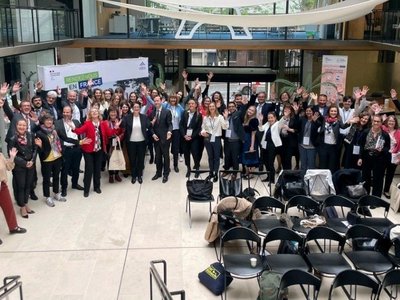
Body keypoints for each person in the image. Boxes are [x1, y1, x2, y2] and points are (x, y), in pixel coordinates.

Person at [68, 108, 119, 197]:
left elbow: (110, 133)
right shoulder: (87, 124)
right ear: (90, 114)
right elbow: (79, 131)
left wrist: (115, 128)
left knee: (97, 170)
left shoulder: (103, 123)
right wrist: (73, 128)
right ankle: (86, 189)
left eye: (96, 111)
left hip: (98, 150)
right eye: (92, 112)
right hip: (88, 151)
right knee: (89, 170)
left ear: (98, 113)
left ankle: (97, 187)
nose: (94, 112)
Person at [7, 119, 37, 218]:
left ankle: (25, 203)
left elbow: (34, 149)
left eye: (24, 125)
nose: (22, 127)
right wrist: (25, 163)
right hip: (19, 167)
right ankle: (22, 207)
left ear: (26, 126)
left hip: (30, 164)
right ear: (16, 126)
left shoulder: (30, 135)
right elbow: (12, 155)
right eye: (20, 125)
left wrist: (32, 160)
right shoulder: (12, 139)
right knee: (21, 187)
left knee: (28, 185)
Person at [35, 114, 66, 207]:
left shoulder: (55, 131)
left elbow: (61, 141)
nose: (49, 122)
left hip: (57, 157)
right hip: (47, 159)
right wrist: (40, 146)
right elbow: (39, 150)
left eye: (50, 120)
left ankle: (56, 193)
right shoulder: (39, 133)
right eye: (47, 120)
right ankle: (47, 196)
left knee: (56, 176)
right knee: (47, 179)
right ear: (43, 122)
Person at [315, 105, 357, 174]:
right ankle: (323, 183)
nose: (333, 112)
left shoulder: (338, 120)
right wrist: (316, 101)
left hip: (333, 147)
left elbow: (343, 127)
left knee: (332, 166)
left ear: (337, 112)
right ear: (329, 112)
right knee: (323, 165)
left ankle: (331, 182)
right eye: (332, 111)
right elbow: (318, 113)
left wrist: (349, 122)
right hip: (323, 146)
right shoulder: (324, 119)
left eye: (335, 111)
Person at [357, 114, 390, 197]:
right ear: (372, 122)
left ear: (381, 123)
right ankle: (365, 196)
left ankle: (375, 198)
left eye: (378, 121)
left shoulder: (385, 135)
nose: (376, 123)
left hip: (379, 158)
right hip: (367, 156)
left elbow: (387, 148)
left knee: (378, 179)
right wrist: (360, 158)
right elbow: (361, 145)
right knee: (365, 177)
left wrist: (382, 150)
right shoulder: (366, 132)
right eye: (374, 121)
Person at [55, 105, 84, 197]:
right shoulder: (57, 123)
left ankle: (75, 184)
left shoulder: (76, 122)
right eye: (64, 112)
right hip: (65, 150)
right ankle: (64, 188)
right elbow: (57, 138)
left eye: (68, 112)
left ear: (71, 113)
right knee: (64, 170)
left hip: (76, 149)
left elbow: (80, 134)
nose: (65, 114)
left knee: (76, 168)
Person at [0, 147, 27, 245]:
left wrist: (11, 158)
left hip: (2, 186)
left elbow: (9, 167)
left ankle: (13, 227)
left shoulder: (0, 155)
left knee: (9, 207)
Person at [122, 102, 150, 184]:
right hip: (131, 142)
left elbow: (149, 125)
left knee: (141, 160)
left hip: (141, 142)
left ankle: (139, 175)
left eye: (138, 107)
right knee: (132, 159)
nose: (136, 108)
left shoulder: (144, 117)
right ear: (132, 108)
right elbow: (123, 127)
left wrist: (152, 122)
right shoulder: (127, 117)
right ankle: (134, 176)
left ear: (140, 108)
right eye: (135, 107)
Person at [201, 102, 229, 182]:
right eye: (210, 106)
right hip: (207, 138)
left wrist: (226, 118)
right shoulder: (206, 117)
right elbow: (203, 127)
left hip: (216, 138)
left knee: (216, 157)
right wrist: (203, 132)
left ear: (215, 108)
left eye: (213, 106)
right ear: (208, 108)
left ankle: (216, 173)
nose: (211, 107)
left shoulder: (219, 117)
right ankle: (211, 172)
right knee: (210, 157)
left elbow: (225, 127)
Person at [150, 96, 173, 183]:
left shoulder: (167, 112)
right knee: (158, 157)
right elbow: (150, 126)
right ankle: (158, 173)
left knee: (166, 157)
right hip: (156, 139)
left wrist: (169, 132)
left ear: (161, 101)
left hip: (165, 139)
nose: (156, 102)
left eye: (158, 101)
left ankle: (165, 174)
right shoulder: (152, 113)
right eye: (155, 101)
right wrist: (153, 134)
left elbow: (170, 124)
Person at [180, 99, 203, 177]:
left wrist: (192, 137)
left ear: (196, 105)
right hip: (185, 138)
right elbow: (181, 125)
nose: (191, 105)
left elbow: (199, 128)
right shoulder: (184, 113)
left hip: (194, 138)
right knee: (186, 154)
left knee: (195, 154)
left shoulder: (199, 115)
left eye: (192, 103)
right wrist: (184, 135)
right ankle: (188, 169)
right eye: (189, 104)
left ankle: (197, 168)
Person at [101, 106, 124, 183]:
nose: (113, 113)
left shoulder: (120, 121)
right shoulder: (105, 123)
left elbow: (123, 132)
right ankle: (111, 175)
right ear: (109, 113)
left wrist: (119, 137)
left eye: (114, 112)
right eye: (111, 112)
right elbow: (105, 134)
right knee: (110, 159)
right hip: (109, 143)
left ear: (117, 113)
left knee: (117, 157)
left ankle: (117, 174)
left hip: (117, 142)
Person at [258, 112, 282, 183]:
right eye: (269, 118)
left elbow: (282, 122)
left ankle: (272, 180)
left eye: (271, 117)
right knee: (265, 162)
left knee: (270, 162)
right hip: (265, 145)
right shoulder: (267, 124)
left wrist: (285, 116)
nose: (270, 119)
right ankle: (268, 177)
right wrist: (261, 121)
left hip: (273, 145)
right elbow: (261, 129)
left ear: (275, 118)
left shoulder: (277, 124)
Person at [164, 94, 184, 173]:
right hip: (168, 130)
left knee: (176, 149)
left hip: (176, 130)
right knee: (166, 149)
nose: (173, 100)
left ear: (176, 100)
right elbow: (155, 103)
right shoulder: (166, 106)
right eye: (171, 98)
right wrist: (147, 96)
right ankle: (167, 166)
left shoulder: (179, 107)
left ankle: (175, 165)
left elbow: (186, 112)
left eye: (174, 99)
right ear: (169, 99)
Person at [224, 101, 245, 173]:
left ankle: (235, 172)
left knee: (235, 157)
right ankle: (226, 170)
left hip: (236, 140)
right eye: (229, 107)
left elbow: (243, 113)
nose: (231, 108)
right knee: (227, 156)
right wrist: (225, 118)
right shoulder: (226, 116)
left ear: (235, 107)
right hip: (227, 140)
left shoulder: (238, 114)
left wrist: (243, 104)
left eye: (232, 106)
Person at [382, 115, 400, 199]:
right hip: (383, 155)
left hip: (394, 156)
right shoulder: (383, 129)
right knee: (380, 173)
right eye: (389, 121)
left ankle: (386, 190)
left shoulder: (399, 132)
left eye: (393, 121)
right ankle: (378, 188)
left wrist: (399, 158)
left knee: (390, 174)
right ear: (386, 121)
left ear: (395, 122)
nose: (391, 122)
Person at [297, 106, 319, 170]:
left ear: (313, 112)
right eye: (307, 111)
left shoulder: (316, 120)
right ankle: (303, 178)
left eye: (310, 111)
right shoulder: (302, 119)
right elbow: (297, 126)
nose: (308, 112)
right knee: (303, 164)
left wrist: (315, 121)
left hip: (312, 146)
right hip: (302, 145)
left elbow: (319, 127)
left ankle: (311, 179)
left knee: (311, 164)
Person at [241, 105, 259, 177]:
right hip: (245, 140)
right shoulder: (246, 118)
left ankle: (251, 174)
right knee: (245, 155)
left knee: (251, 156)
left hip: (250, 140)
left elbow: (253, 134)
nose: (250, 111)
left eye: (252, 111)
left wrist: (252, 146)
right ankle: (247, 172)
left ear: (254, 112)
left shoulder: (254, 120)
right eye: (249, 109)